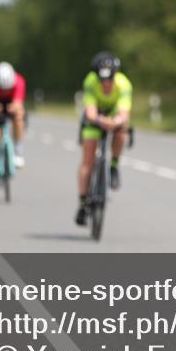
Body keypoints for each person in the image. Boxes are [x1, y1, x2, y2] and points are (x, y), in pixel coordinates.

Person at [75, 51, 132, 226]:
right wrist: (101, 120)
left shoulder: (124, 84)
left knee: (122, 133)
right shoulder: (90, 82)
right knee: (88, 162)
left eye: (110, 80)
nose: (106, 84)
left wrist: (115, 122)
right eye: (103, 81)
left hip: (114, 116)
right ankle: (83, 203)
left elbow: (124, 114)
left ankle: (113, 166)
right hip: (95, 118)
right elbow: (91, 112)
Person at [0, 62, 27, 180]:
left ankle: (18, 151)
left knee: (19, 116)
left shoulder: (19, 81)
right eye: (2, 89)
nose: (5, 92)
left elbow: (18, 103)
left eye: (7, 89)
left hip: (12, 103)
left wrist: (14, 107)